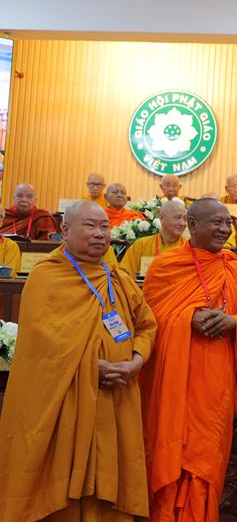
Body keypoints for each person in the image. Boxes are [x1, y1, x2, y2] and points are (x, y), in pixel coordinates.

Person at [0, 201, 156, 520]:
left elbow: (146, 325)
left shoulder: (118, 277)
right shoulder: (47, 277)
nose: (100, 234)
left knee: (110, 478)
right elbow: (41, 349)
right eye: (90, 226)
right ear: (65, 231)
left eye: (104, 227)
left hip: (116, 397)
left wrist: (135, 362)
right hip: (65, 399)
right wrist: (90, 368)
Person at [140, 198, 237, 521]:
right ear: (191, 225)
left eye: (228, 223)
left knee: (205, 460)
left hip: (215, 382)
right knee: (170, 455)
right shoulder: (166, 266)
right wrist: (187, 318)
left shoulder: (233, 266)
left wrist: (233, 322)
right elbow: (148, 319)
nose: (225, 229)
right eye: (216, 222)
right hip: (174, 380)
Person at [119, 199, 187, 277]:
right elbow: (124, 276)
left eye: (185, 219)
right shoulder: (141, 245)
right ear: (162, 218)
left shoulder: (189, 249)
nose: (182, 223)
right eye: (177, 218)